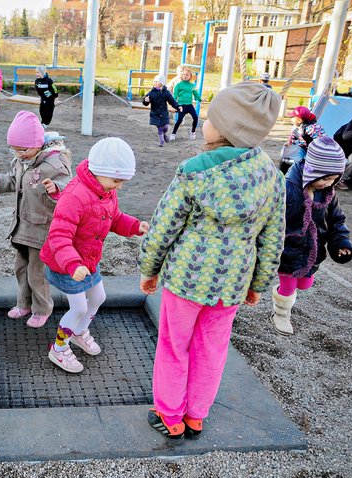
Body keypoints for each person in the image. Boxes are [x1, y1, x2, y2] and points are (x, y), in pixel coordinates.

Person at [138, 82, 284, 444]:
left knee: (174, 345)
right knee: (212, 349)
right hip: (233, 283)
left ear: (225, 128)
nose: (205, 122)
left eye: (211, 118)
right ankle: (196, 415)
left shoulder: (194, 171)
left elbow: (163, 227)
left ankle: (170, 415)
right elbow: (273, 237)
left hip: (187, 278)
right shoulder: (272, 177)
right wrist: (258, 284)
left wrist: (149, 268)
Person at [40, 138, 149, 373]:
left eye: (122, 182)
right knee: (78, 307)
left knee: (98, 297)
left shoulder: (106, 193)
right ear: (98, 172)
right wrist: (72, 263)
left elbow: (115, 218)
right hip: (66, 264)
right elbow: (58, 236)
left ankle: (78, 331)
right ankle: (58, 349)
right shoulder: (75, 197)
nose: (119, 187)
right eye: (116, 181)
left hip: (88, 260)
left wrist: (134, 226)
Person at [0, 111, 73, 328]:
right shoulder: (22, 160)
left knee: (37, 273)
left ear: (37, 144)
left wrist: (56, 189)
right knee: (21, 269)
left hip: (42, 227)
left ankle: (42, 309)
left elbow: (69, 187)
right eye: (14, 150)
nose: (19, 154)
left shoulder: (53, 165)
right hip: (22, 225)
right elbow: (15, 180)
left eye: (23, 150)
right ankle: (23, 304)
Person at [271, 136, 352, 336]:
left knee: (305, 283)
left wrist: (341, 243)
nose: (329, 183)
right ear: (312, 170)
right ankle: (280, 314)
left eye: (334, 179)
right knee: (289, 286)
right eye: (325, 178)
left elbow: (337, 221)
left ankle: (286, 293)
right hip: (288, 251)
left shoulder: (328, 193)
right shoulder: (288, 189)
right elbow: (272, 220)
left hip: (313, 251)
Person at [282, 105, 326, 170]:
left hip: (315, 150)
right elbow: (293, 134)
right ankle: (299, 167)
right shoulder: (296, 126)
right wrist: (290, 142)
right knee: (299, 158)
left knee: (311, 162)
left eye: (293, 117)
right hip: (303, 146)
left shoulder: (313, 128)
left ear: (299, 120)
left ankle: (310, 169)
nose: (291, 118)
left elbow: (321, 139)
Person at [142, 74, 180, 147]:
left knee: (165, 127)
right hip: (155, 113)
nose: (155, 83)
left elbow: (172, 101)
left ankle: (164, 134)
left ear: (162, 83)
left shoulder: (166, 92)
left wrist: (178, 107)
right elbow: (145, 102)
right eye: (154, 82)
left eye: (157, 82)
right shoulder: (151, 92)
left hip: (164, 113)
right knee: (159, 127)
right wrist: (146, 100)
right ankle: (161, 140)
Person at [171, 66, 201, 141]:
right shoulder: (178, 85)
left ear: (190, 76)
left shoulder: (192, 86)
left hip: (189, 105)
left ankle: (193, 132)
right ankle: (173, 133)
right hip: (181, 105)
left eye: (187, 75)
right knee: (179, 120)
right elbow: (175, 96)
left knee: (195, 117)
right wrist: (175, 105)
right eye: (184, 75)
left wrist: (200, 100)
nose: (185, 76)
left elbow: (196, 94)